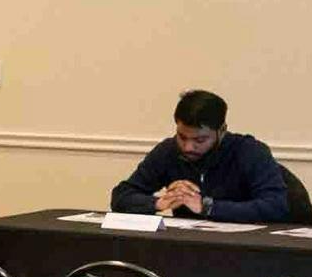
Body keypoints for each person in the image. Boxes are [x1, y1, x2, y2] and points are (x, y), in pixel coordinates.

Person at [109, 89, 289, 222]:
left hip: (249, 248)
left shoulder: (250, 151)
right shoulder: (168, 151)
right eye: (182, 137)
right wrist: (158, 202)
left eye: (200, 140)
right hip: (190, 245)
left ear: (222, 131)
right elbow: (121, 196)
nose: (188, 147)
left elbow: (276, 206)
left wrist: (207, 206)